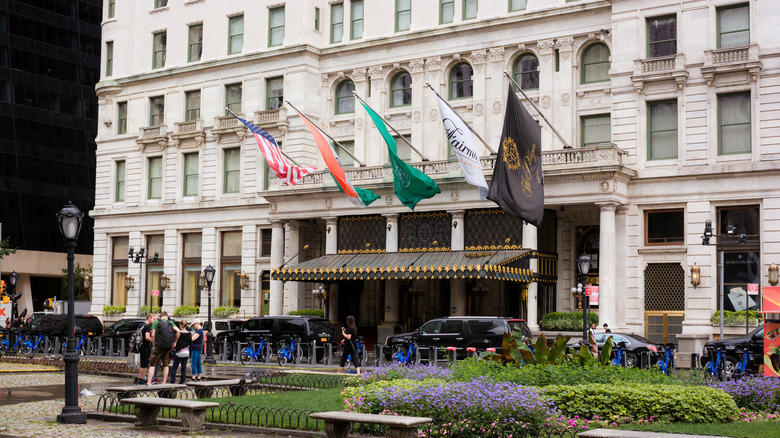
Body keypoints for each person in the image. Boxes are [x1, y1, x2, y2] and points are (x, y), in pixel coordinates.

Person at [147, 311, 180, 385]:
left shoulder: (156, 322)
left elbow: (153, 335)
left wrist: (153, 345)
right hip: (168, 347)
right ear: (167, 317)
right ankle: (164, 382)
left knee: (152, 364)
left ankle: (149, 382)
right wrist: (175, 342)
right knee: (165, 365)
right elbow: (178, 331)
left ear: (160, 316)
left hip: (159, 346)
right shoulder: (171, 322)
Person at [135, 313, 156, 385]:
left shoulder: (141, 324)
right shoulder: (148, 326)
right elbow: (147, 337)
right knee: (145, 365)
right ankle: (141, 380)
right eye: (153, 319)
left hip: (141, 345)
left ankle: (139, 379)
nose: (153, 321)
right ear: (149, 318)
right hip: (146, 346)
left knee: (142, 364)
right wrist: (153, 342)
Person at [170, 320, 191, 384]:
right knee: (183, 367)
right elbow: (190, 343)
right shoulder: (189, 333)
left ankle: (173, 380)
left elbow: (176, 342)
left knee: (175, 367)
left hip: (179, 352)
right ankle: (182, 381)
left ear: (181, 325)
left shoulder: (179, 333)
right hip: (186, 352)